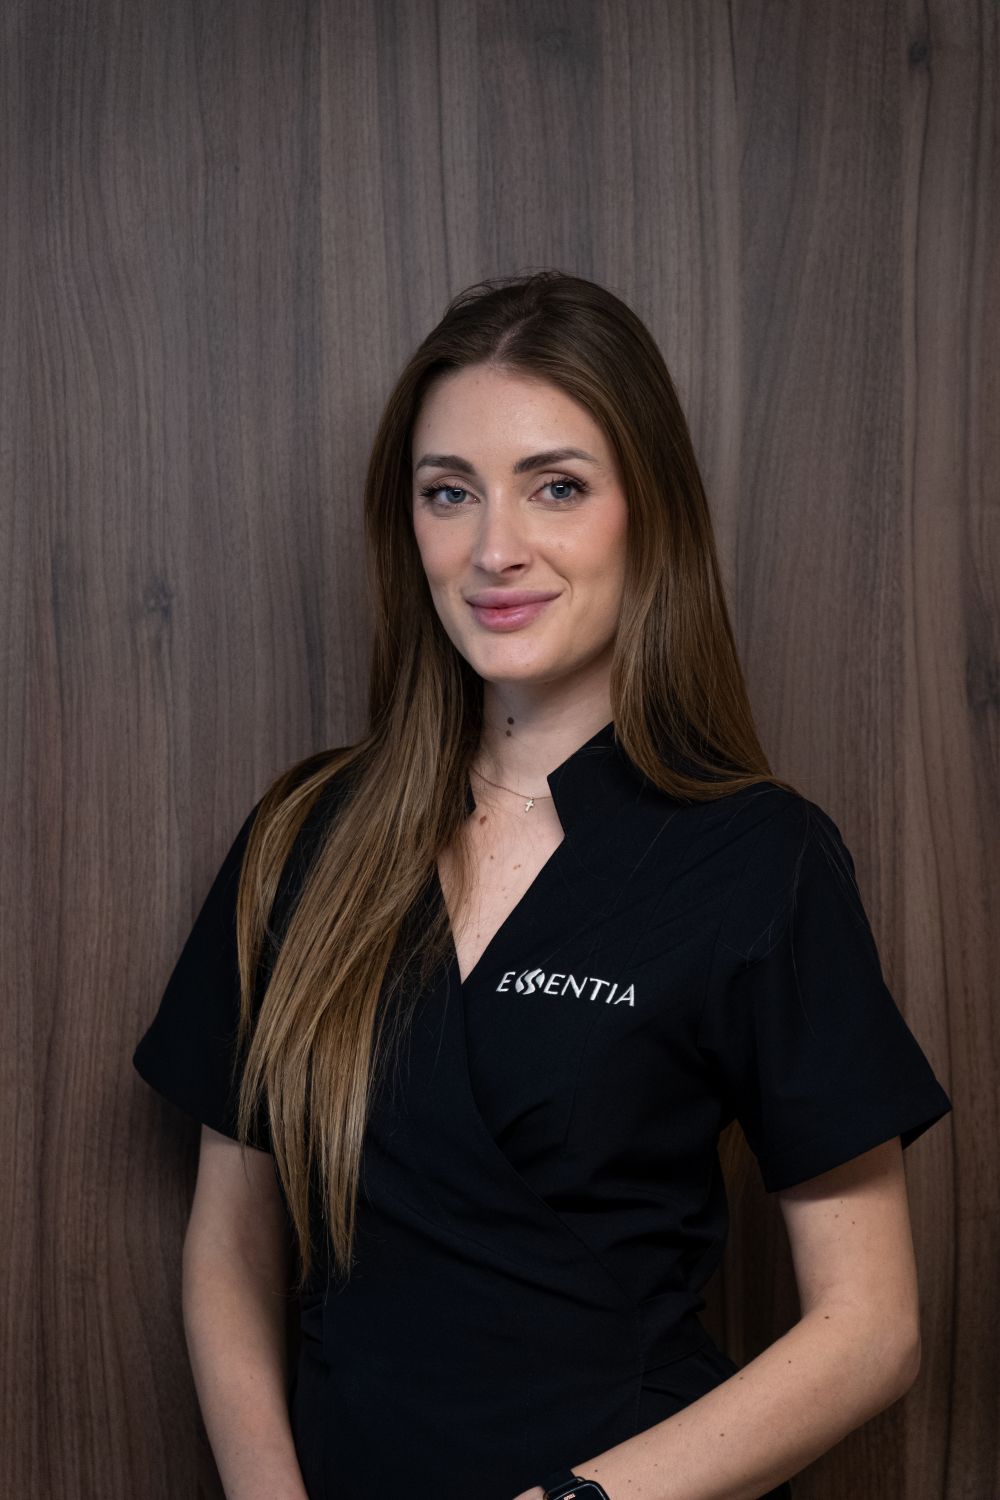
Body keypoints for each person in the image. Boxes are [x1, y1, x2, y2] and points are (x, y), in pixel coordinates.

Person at [132, 270, 953, 1500]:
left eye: (555, 486)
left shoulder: (758, 857)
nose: (493, 549)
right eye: (448, 492)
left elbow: (871, 1328)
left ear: (648, 512)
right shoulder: (304, 838)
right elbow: (230, 1243)